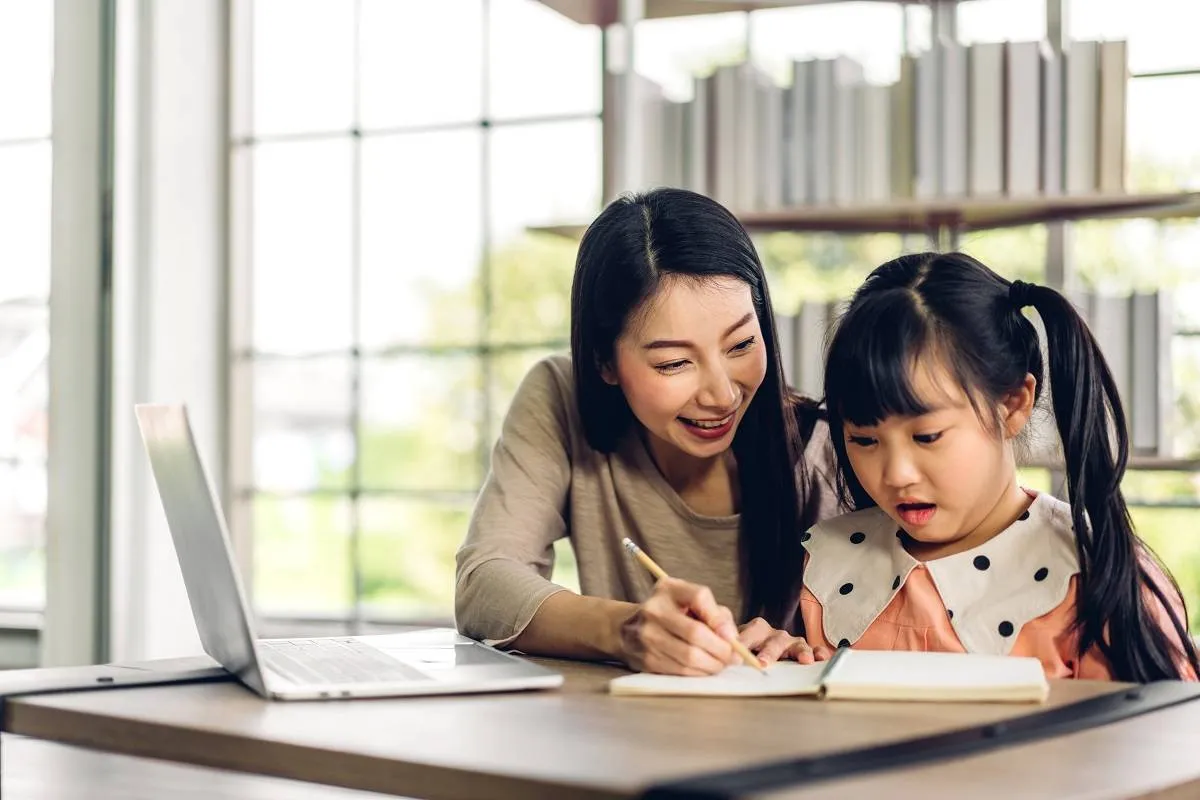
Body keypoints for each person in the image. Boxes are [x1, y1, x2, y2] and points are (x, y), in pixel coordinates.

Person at [455, 188, 841, 675]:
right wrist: (626, 629)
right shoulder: (561, 398)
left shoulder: (829, 448)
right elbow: (484, 584)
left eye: (742, 343)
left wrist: (813, 644)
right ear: (604, 362)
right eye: (674, 362)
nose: (721, 395)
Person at [794, 251, 1198, 681]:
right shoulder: (826, 564)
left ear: (1013, 405)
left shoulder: (1094, 579)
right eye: (864, 440)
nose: (896, 474)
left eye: (927, 437)